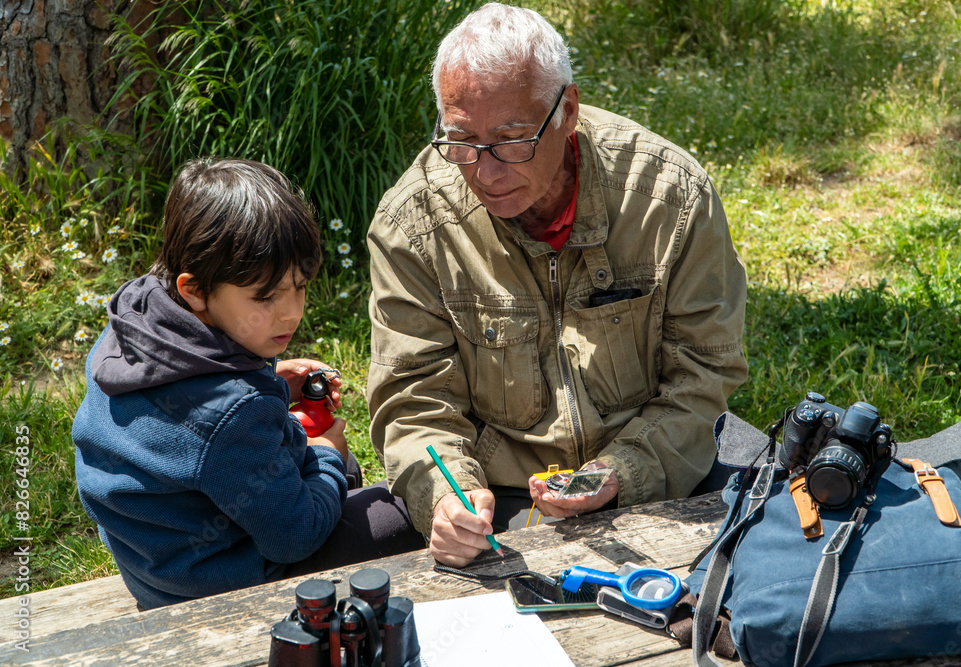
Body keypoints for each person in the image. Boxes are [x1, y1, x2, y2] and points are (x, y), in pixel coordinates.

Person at [366, 3, 748, 567]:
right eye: (461, 141)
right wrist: (447, 497)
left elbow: (704, 372)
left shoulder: (670, 197)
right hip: (504, 501)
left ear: (566, 110)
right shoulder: (413, 225)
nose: (485, 173)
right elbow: (414, 399)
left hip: (663, 473)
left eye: (512, 140)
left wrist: (622, 473)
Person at [73, 158, 422, 610]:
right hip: (219, 585)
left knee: (338, 478)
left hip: (155, 560)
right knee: (394, 510)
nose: (293, 312)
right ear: (195, 290)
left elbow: (186, 420)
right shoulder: (232, 414)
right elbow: (294, 538)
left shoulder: (134, 321)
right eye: (267, 296)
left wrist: (270, 380)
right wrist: (325, 453)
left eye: (299, 286)